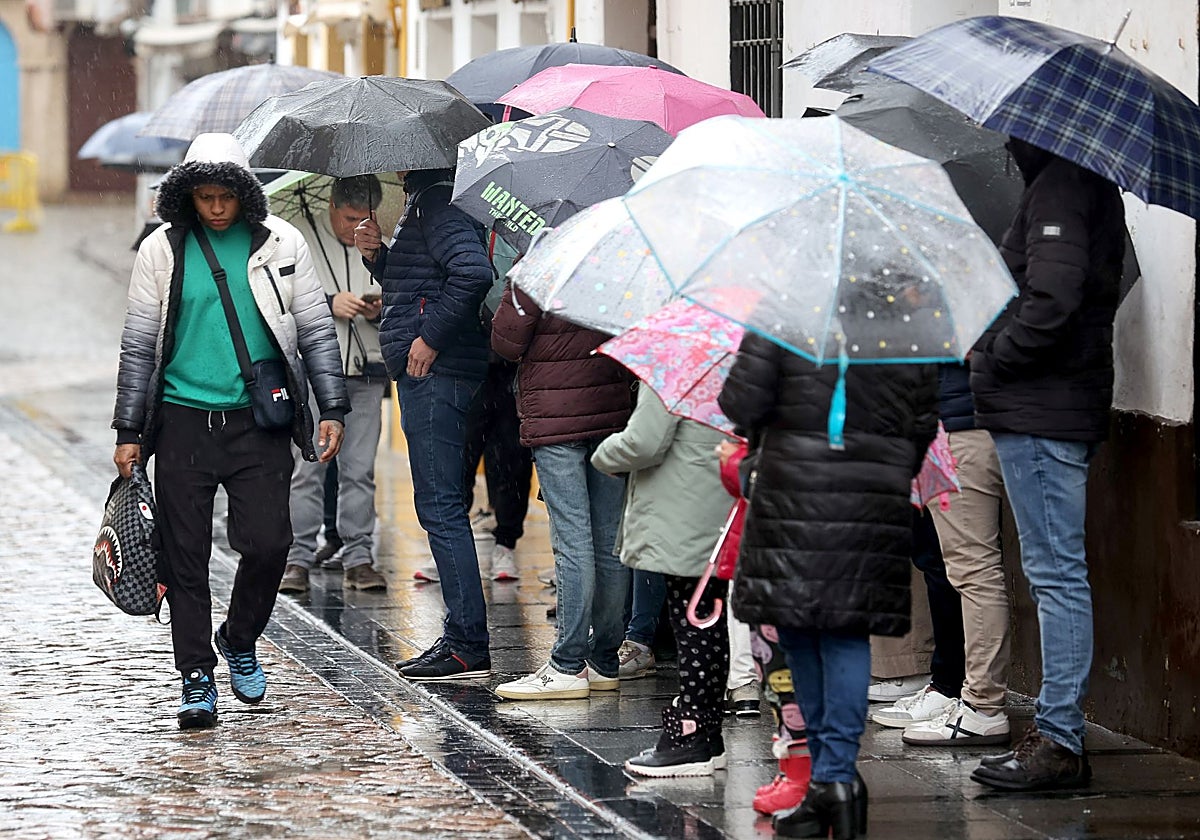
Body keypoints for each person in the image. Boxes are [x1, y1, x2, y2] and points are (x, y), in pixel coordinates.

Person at [111, 133, 348, 730]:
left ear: (245, 194)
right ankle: (196, 674)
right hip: (182, 422)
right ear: (186, 196)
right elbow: (138, 344)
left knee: (269, 544)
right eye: (205, 197)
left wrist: (332, 407)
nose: (216, 208)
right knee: (184, 557)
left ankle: (239, 637)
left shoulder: (282, 242)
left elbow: (315, 331)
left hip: (258, 422)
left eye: (226, 197)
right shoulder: (161, 249)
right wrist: (128, 429)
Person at [719, 333, 937, 839]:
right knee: (846, 630)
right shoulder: (905, 318)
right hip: (873, 488)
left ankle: (824, 777)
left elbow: (741, 401)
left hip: (791, 485)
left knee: (798, 629)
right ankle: (836, 779)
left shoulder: (788, 309)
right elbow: (923, 417)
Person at [967, 138, 1124, 792]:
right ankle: (1059, 736)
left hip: (1042, 409)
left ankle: (1059, 739)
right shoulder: (1076, 182)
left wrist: (992, 356)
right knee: (1057, 573)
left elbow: (1053, 298)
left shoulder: (1061, 185)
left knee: (1056, 575)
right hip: (1051, 406)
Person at [354, 168, 495, 681]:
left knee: (440, 504)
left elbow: (473, 273)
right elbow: (423, 282)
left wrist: (430, 338)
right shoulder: (427, 203)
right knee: (441, 502)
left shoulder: (437, 203)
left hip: (435, 372)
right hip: (434, 370)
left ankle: (465, 643)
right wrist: (378, 257)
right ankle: (464, 637)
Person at [490, 281, 634, 700]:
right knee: (609, 541)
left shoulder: (540, 269)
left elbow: (506, 341)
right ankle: (604, 660)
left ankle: (567, 664)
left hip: (556, 418)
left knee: (573, 542)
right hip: (611, 409)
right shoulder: (616, 265)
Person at [592, 383, 733, 776]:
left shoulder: (677, 370)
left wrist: (603, 454)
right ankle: (706, 733)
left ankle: (693, 736)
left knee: (694, 627)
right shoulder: (735, 360)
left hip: (683, 508)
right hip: (717, 498)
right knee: (707, 621)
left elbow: (645, 441)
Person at [280, 175, 389, 596]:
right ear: (331, 207)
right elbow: (277, 304)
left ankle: (359, 557)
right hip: (313, 372)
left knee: (359, 471)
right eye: (348, 218)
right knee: (307, 469)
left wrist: (379, 309)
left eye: (364, 219)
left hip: (366, 371)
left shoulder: (383, 245)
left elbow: (404, 302)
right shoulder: (299, 239)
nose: (356, 228)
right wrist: (328, 304)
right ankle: (298, 558)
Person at [900, 364, 1012, 746]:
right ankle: (962, 694)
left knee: (972, 570)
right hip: (948, 418)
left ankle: (980, 705)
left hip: (962, 421)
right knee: (955, 565)